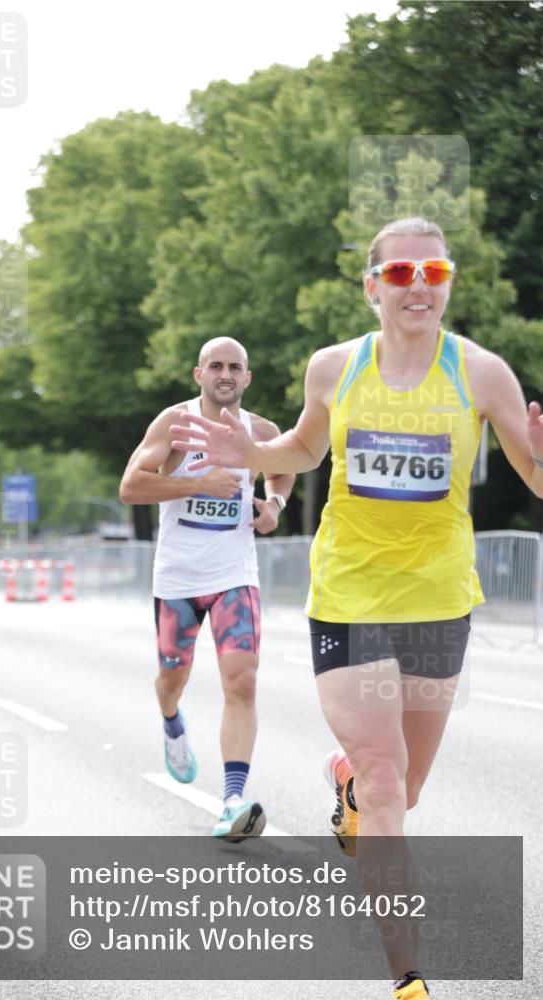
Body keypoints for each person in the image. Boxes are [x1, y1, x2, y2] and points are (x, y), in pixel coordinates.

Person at [170, 218, 543, 998]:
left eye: (431, 271)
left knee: (402, 790)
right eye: (399, 273)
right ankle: (406, 976)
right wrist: (253, 457)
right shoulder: (334, 367)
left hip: (439, 599)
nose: (417, 285)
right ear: (371, 286)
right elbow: (305, 451)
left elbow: (535, 480)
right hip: (346, 593)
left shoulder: (482, 375)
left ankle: (343, 785)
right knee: (384, 780)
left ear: (446, 283)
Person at [119, 337, 294, 841]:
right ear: (199, 375)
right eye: (215, 366)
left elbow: (282, 473)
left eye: (234, 367)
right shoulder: (174, 424)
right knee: (172, 677)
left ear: (247, 378)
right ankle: (171, 720)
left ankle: (233, 801)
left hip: (235, 574)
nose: (225, 374)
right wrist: (198, 484)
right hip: (177, 577)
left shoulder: (261, 431)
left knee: (242, 681)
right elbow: (131, 486)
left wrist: (273, 507)